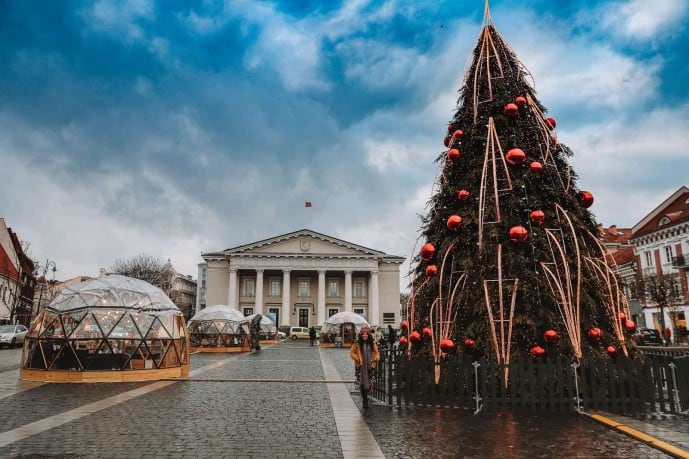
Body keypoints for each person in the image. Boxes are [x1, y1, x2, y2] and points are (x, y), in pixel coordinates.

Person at [349, 326, 380, 409]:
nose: (364, 336)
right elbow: (351, 352)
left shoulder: (372, 343)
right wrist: (357, 359)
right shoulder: (357, 343)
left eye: (366, 334)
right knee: (362, 384)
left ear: (368, 335)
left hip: (370, 366)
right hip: (360, 366)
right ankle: (365, 400)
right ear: (361, 335)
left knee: (369, 383)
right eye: (363, 334)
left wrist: (375, 358)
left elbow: (377, 353)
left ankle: (366, 395)